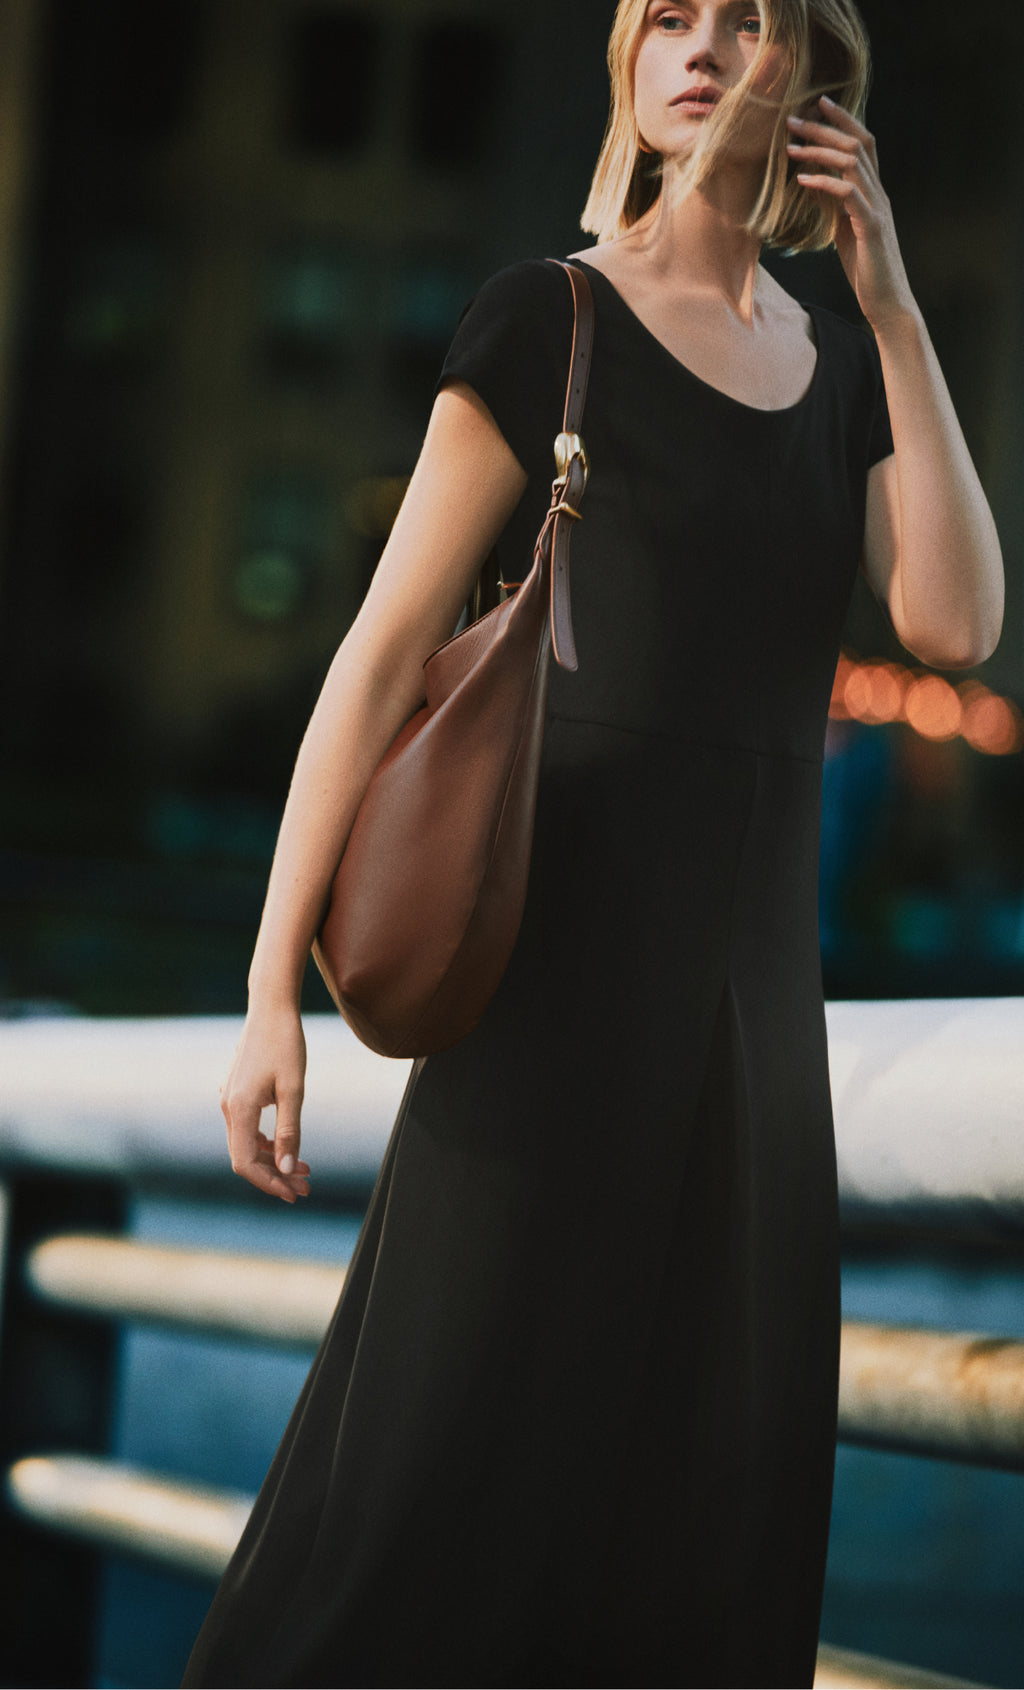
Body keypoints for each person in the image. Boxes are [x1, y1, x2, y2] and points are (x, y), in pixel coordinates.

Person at [183, 1, 1003, 1685]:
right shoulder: (546, 319)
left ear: (812, 80)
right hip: (545, 1014)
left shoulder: (845, 365)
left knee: (701, 1543)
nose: (701, 48)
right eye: (668, 18)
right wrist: (272, 984)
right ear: (628, 65)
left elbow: (956, 616)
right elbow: (378, 657)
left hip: (757, 1038)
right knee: (422, 1507)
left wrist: (895, 300)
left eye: (746, 22)